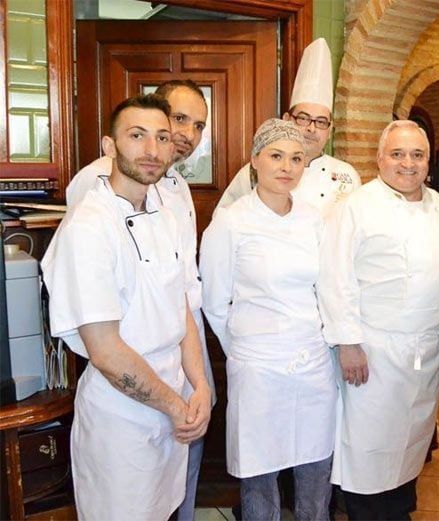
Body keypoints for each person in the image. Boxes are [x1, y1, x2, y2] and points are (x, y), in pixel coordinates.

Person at [41, 94, 212, 519]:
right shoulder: (88, 227)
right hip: (122, 416)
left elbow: (182, 309)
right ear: (109, 146)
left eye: (162, 137)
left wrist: (200, 385)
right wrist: (177, 406)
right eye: (137, 136)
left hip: (173, 403)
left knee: (168, 509)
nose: (152, 150)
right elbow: (105, 351)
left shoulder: (165, 214)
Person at [318, 120, 439, 520]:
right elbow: (335, 277)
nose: (408, 164)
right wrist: (347, 343)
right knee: (369, 449)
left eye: (417, 155)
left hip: (423, 352)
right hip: (373, 352)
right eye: (397, 154)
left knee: (411, 440)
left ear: (428, 161)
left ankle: (400, 511)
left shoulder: (438, 204)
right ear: (379, 158)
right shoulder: (356, 206)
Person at [200, 118, 336, 521]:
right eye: (276, 156)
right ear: (255, 159)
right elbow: (214, 301)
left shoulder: (313, 219)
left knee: (315, 467)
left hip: (312, 361)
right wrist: (247, 347)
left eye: (296, 158)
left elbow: (326, 288)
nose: (286, 167)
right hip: (257, 365)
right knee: (260, 472)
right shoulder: (231, 221)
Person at [216, 38, 360, 217]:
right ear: (287, 120)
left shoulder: (347, 175)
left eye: (321, 122)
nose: (311, 129)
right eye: (303, 118)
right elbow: (224, 218)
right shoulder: (256, 170)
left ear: (330, 130)